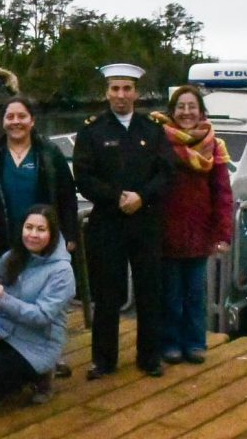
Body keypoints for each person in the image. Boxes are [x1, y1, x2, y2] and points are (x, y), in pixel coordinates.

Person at [73, 64, 174, 380]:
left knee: (149, 291)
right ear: (107, 92)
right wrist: (117, 197)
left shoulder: (152, 130)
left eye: (127, 89)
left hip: (145, 221)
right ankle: (104, 360)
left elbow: (167, 172)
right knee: (107, 294)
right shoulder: (92, 131)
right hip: (108, 221)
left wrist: (142, 197)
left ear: (137, 93)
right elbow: (84, 176)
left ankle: (149, 357)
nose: (121, 95)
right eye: (115, 89)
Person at [151, 85, 233, 364]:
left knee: (196, 294)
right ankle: (171, 343)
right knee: (170, 294)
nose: (186, 112)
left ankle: (196, 343)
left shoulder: (215, 145)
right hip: (166, 229)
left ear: (201, 111)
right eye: (180, 107)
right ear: (172, 112)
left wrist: (223, 233)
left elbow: (223, 193)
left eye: (191, 107)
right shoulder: (160, 141)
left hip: (199, 231)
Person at [0, 205, 75, 406]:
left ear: (53, 234)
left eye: (41, 229)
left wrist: (3, 298)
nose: (33, 234)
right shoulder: (12, 256)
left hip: (38, 343)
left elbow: (42, 316)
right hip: (5, 331)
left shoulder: (62, 272)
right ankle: (12, 368)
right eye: (28, 227)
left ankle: (43, 375)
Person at [0, 96, 78, 257]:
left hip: (41, 240)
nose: (16, 121)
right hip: (1, 241)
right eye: (10, 117)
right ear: (3, 122)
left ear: (32, 120)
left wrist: (70, 234)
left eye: (22, 116)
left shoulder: (50, 153)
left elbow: (67, 196)